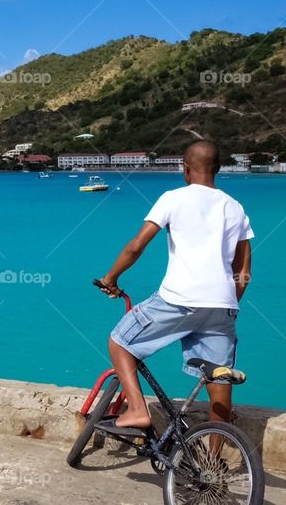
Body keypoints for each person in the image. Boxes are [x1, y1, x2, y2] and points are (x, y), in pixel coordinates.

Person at [97, 140, 253, 429]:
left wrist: (111, 278)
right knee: (218, 381)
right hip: (223, 306)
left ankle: (137, 411)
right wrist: (227, 303)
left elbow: (136, 246)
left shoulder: (173, 197)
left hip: (179, 299)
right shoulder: (235, 208)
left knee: (119, 342)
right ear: (217, 168)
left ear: (186, 167)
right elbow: (243, 271)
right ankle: (212, 463)